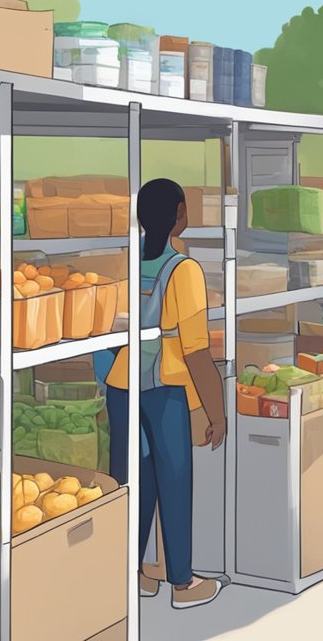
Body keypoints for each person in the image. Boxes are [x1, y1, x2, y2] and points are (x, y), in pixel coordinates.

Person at [104, 179, 226, 609]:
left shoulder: (128, 262)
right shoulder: (184, 270)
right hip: (163, 388)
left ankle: (132, 573)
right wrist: (217, 412)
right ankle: (182, 583)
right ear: (179, 214)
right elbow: (196, 352)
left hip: (121, 386)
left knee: (133, 481)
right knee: (174, 482)